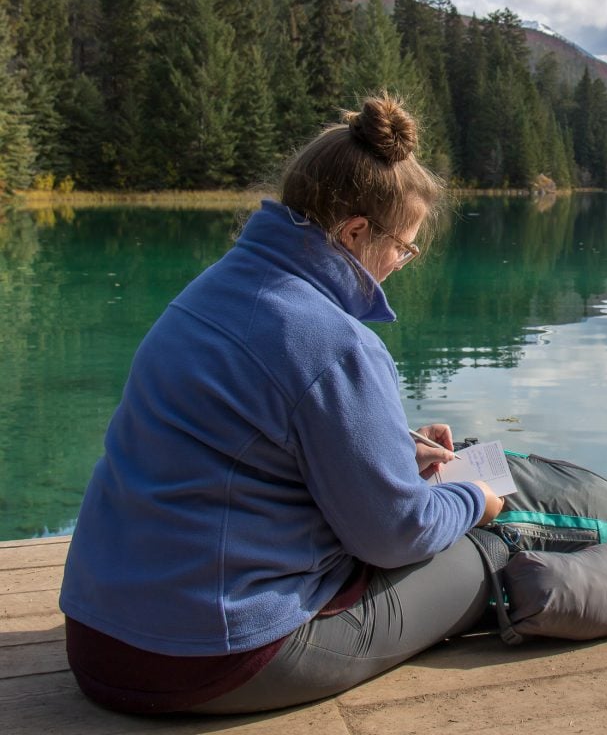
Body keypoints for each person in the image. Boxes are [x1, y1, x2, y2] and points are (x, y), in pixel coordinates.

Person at [58, 93, 505, 715]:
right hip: (209, 661)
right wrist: (472, 500)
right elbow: (396, 535)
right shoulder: (337, 343)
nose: (402, 263)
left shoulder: (207, 292)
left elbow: (245, 438)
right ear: (354, 231)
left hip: (98, 642)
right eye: (404, 247)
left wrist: (390, 445)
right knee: (483, 552)